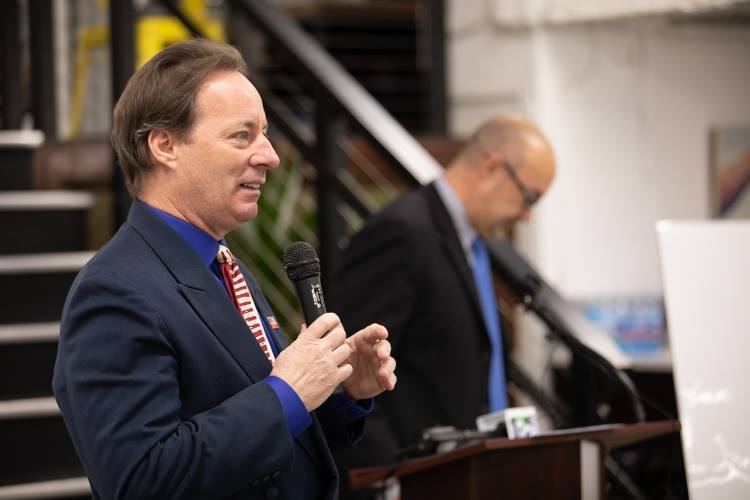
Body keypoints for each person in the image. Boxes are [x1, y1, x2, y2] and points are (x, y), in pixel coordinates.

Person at [52, 39, 396, 500]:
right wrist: (288, 392)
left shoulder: (224, 266)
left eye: (265, 134)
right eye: (242, 135)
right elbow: (140, 480)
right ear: (165, 145)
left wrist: (338, 392)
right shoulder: (114, 290)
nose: (270, 156)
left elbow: (264, 433)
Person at [329, 116, 555, 496]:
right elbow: (351, 366)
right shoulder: (404, 231)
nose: (527, 214)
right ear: (492, 168)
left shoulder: (473, 244)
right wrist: (392, 479)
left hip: (464, 476)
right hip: (414, 480)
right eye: (529, 197)